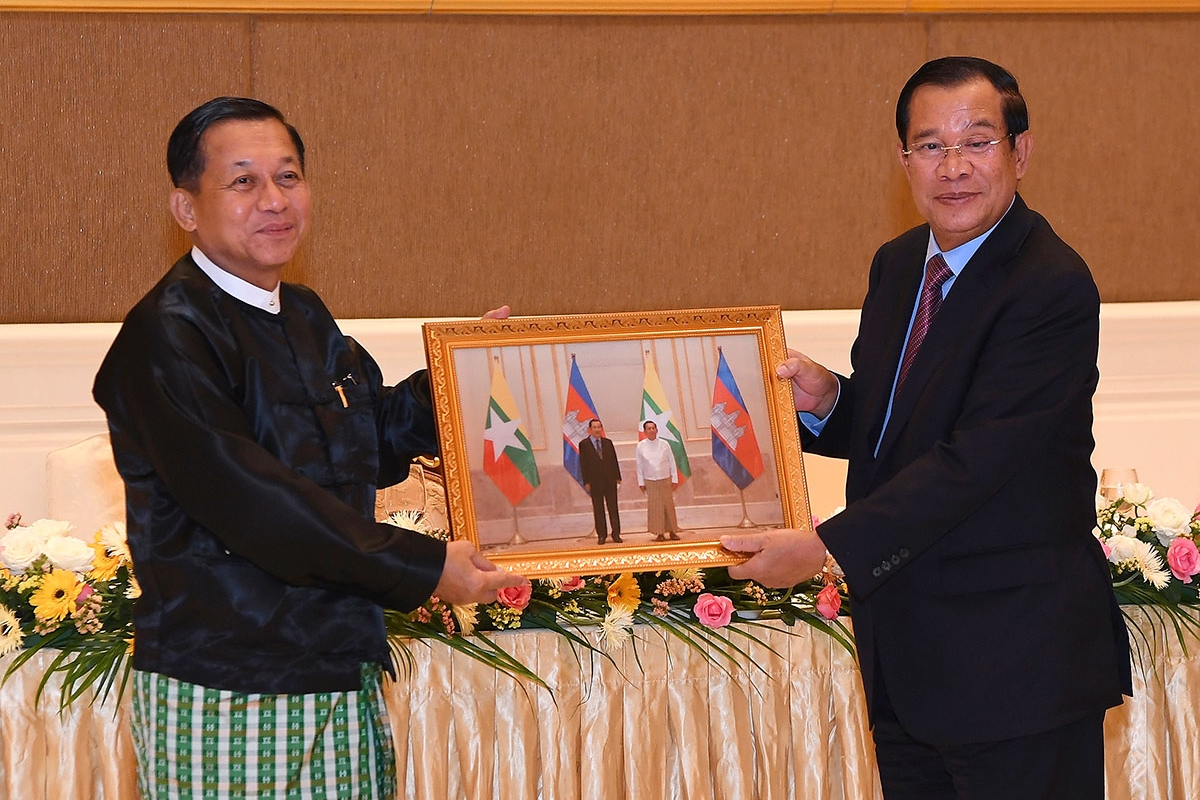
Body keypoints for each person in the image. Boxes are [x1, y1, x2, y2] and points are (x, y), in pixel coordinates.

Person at [92, 97, 525, 799]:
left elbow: (367, 442)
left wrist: (460, 379)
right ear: (186, 208)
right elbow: (256, 503)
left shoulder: (304, 314)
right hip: (232, 684)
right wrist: (421, 568)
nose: (274, 201)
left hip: (337, 669)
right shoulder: (167, 336)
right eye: (243, 182)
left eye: (287, 178)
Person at [723, 57, 1131, 799]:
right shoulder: (899, 263)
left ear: (1021, 151)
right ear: (903, 160)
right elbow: (902, 428)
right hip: (908, 665)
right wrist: (827, 404)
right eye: (930, 146)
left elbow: (973, 461)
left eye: (976, 142)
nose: (953, 167)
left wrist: (822, 546)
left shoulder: (1051, 285)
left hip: (1016, 675)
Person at [578, 418, 622, 544]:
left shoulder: (608, 442)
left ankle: (616, 534)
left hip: (610, 481)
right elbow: (583, 464)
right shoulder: (584, 444)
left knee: (613, 508)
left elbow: (614, 460)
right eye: (594, 427)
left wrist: (618, 477)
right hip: (595, 482)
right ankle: (601, 535)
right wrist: (587, 481)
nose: (597, 429)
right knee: (598, 509)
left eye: (599, 427)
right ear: (589, 430)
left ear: (602, 429)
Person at [635, 420, 680, 541]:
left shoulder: (664, 444)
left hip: (664, 478)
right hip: (650, 480)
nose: (651, 430)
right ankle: (659, 533)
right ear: (645, 431)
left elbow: (671, 461)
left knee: (668, 505)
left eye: (653, 428)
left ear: (657, 430)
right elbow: (639, 465)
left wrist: (674, 478)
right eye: (648, 429)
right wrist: (641, 482)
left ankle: (672, 531)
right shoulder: (641, 445)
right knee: (656, 507)